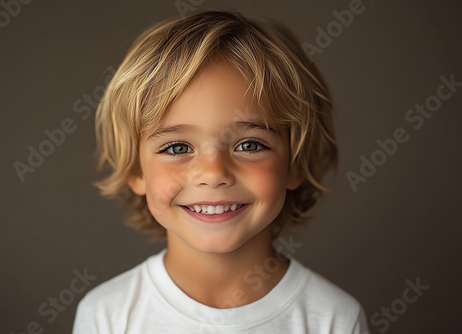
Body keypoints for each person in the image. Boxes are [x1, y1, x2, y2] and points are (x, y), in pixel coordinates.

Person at [72, 10, 369, 333]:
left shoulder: (333, 319)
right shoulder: (106, 315)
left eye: (250, 145)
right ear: (136, 171)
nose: (213, 173)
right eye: (177, 148)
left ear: (294, 163)